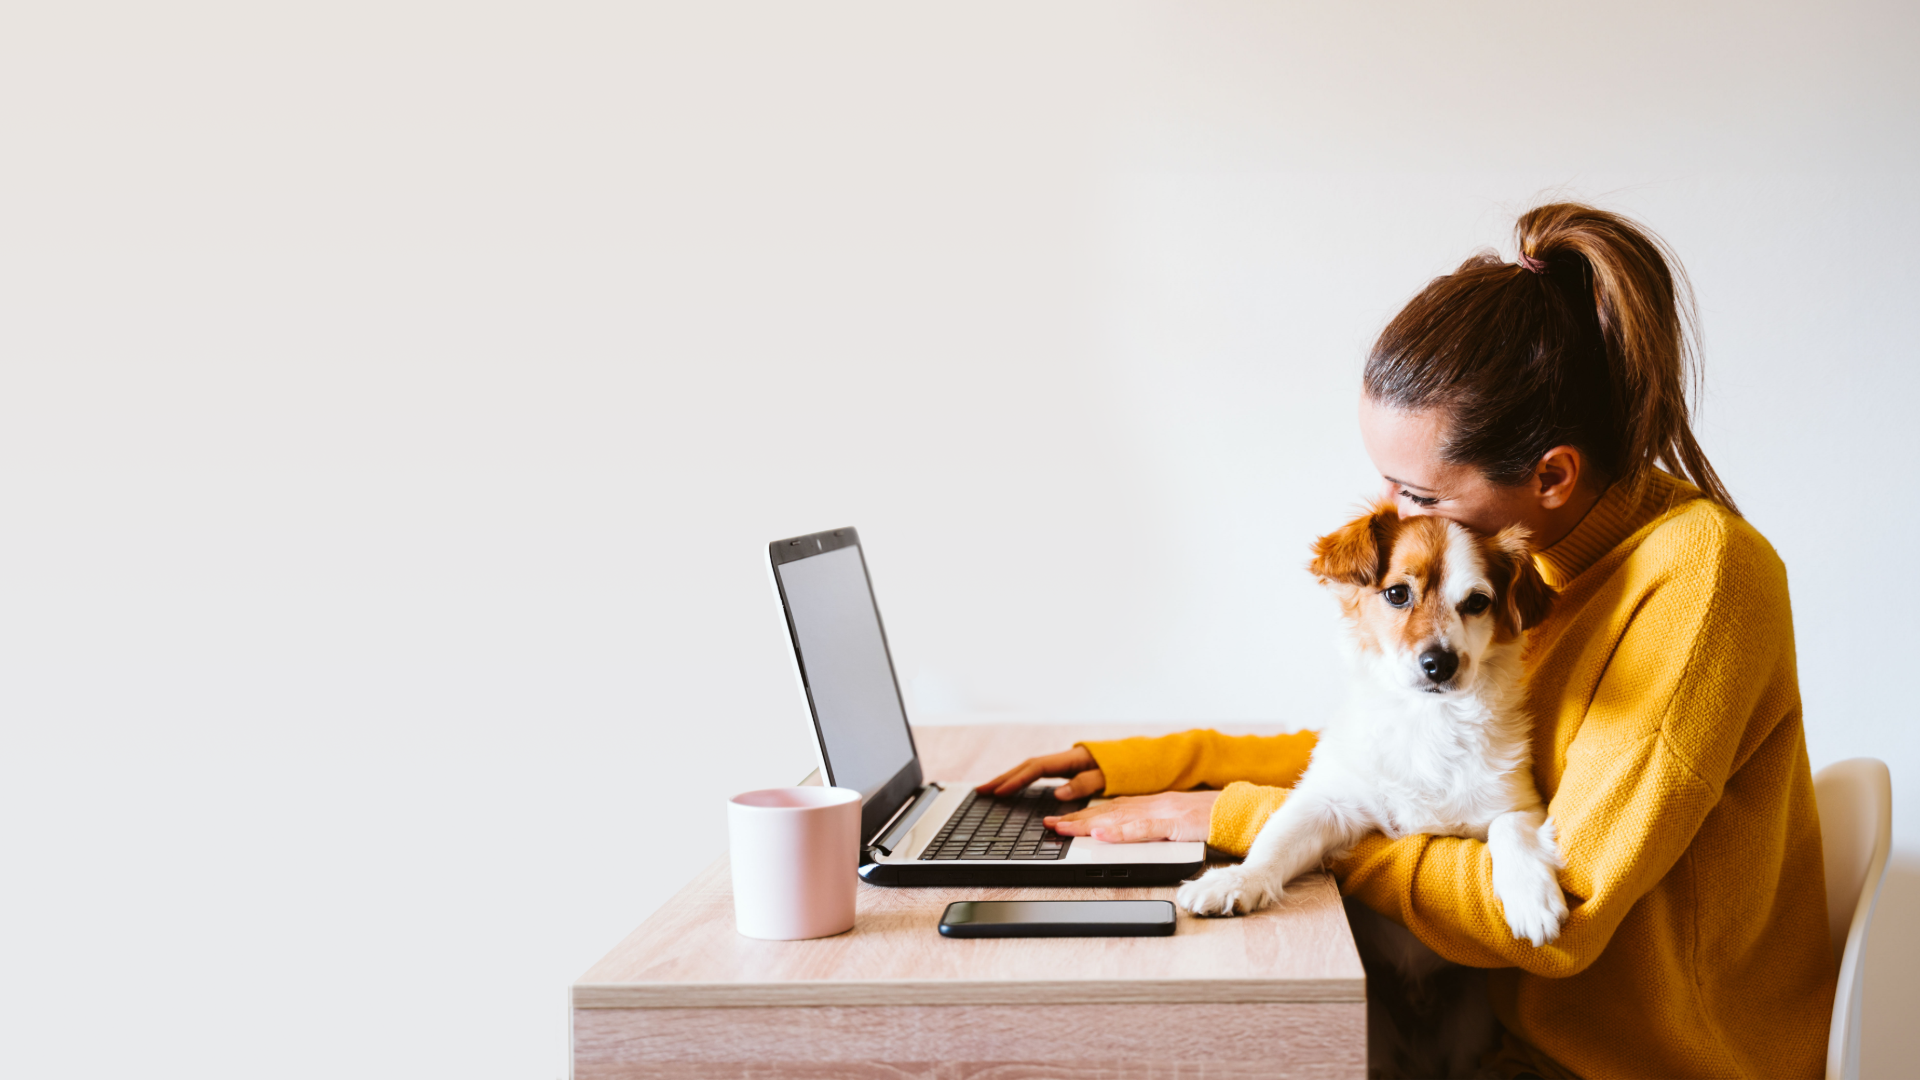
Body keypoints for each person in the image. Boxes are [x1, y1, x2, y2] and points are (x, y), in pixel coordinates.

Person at [979, 204, 1837, 1079]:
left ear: (1550, 476)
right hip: (1506, 1036)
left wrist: (1242, 819)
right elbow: (1400, 758)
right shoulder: (1533, 574)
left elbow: (1558, 919)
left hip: (1634, 1065)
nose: (1394, 520)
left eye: (1416, 492)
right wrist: (1157, 765)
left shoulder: (1701, 580)